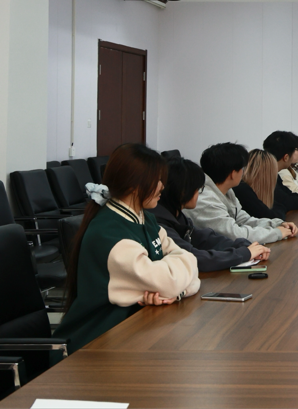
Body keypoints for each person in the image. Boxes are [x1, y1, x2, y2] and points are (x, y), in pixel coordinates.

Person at [54, 143, 200, 354]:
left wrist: (177, 291)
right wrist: (175, 283)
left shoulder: (145, 219)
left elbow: (191, 263)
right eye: (156, 180)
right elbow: (173, 279)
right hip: (94, 347)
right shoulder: (110, 236)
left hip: (130, 335)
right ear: (134, 185)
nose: (162, 187)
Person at [151, 156, 270, 272]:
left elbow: (205, 238)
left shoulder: (177, 215)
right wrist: (244, 253)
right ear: (183, 191)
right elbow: (195, 258)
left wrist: (243, 246)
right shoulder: (159, 224)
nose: (199, 194)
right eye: (198, 189)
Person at [191, 142, 297, 244]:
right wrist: (276, 233)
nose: (243, 172)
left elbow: (243, 219)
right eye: (242, 168)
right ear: (233, 174)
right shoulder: (205, 200)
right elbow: (235, 235)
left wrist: (276, 224)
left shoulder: (227, 190)